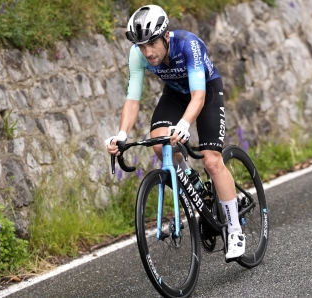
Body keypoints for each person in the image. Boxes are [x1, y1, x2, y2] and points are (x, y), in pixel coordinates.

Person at [105, 4, 245, 259]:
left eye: (152, 44)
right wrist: (122, 135)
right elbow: (133, 99)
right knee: (160, 144)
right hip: (175, 94)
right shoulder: (137, 54)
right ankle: (191, 179)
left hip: (206, 91)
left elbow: (199, 95)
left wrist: (183, 125)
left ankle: (235, 230)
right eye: (141, 46)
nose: (147, 52)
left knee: (212, 161)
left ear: (165, 36)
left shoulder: (187, 44)